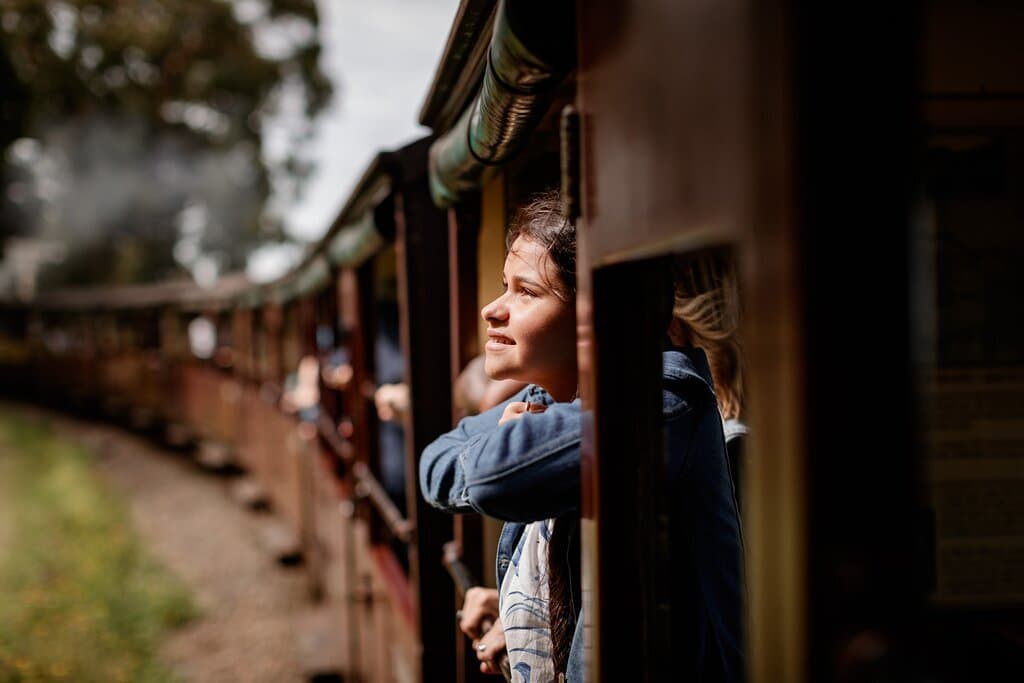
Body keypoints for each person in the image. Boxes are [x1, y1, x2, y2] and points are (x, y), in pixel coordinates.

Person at [419, 191, 745, 682]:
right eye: (504, 287)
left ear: (595, 313)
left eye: (525, 292)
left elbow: (490, 479)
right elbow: (434, 462)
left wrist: (504, 452)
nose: (493, 308)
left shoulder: (664, 403)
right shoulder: (551, 401)